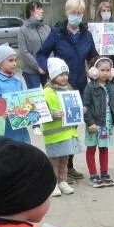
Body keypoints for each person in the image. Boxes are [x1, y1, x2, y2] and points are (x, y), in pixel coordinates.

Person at [35, 0, 100, 180]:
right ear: (67, 13)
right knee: (60, 126)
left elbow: (93, 56)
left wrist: (95, 67)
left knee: (72, 126)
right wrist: (47, 68)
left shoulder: (86, 34)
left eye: (79, 13)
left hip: (78, 86)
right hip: (59, 87)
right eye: (73, 13)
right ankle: (57, 169)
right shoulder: (57, 33)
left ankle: (68, 166)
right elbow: (42, 54)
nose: (76, 16)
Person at [81, 56, 114, 187]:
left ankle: (104, 173)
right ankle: (93, 175)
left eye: (108, 70)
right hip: (94, 125)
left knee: (104, 148)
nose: (105, 72)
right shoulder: (90, 87)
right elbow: (86, 107)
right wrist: (90, 123)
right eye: (102, 70)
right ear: (94, 71)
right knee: (91, 149)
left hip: (107, 124)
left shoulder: (111, 87)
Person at [42, 58, 82, 198]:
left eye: (66, 74)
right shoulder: (46, 92)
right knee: (53, 161)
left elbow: (72, 107)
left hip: (67, 133)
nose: (64, 77)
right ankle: (52, 184)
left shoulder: (69, 89)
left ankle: (62, 181)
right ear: (53, 76)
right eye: (60, 74)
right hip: (54, 134)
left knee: (64, 159)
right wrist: (53, 114)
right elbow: (40, 112)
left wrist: (80, 110)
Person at [0, 43, 31, 144]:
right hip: (6, 131)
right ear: (0, 62)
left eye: (15, 60)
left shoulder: (18, 80)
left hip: (21, 130)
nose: (14, 63)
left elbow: (23, 101)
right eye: (10, 60)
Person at [17, 1, 51, 90]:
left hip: (47, 68)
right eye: (39, 9)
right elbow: (24, 52)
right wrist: (38, 67)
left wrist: (49, 65)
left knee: (50, 93)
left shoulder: (46, 28)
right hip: (30, 71)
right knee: (34, 97)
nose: (42, 11)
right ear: (31, 11)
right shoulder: (23, 30)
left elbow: (51, 47)